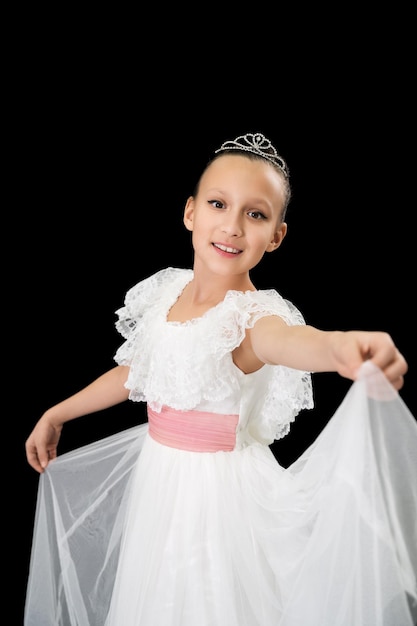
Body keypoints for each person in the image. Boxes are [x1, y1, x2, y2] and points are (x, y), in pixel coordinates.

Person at [24, 132, 417, 626]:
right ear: (191, 213)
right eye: (218, 204)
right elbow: (143, 371)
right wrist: (57, 412)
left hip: (212, 502)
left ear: (276, 235)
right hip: (158, 481)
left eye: (256, 214)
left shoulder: (254, 318)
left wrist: (342, 347)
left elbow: (296, 342)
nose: (231, 226)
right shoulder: (169, 291)